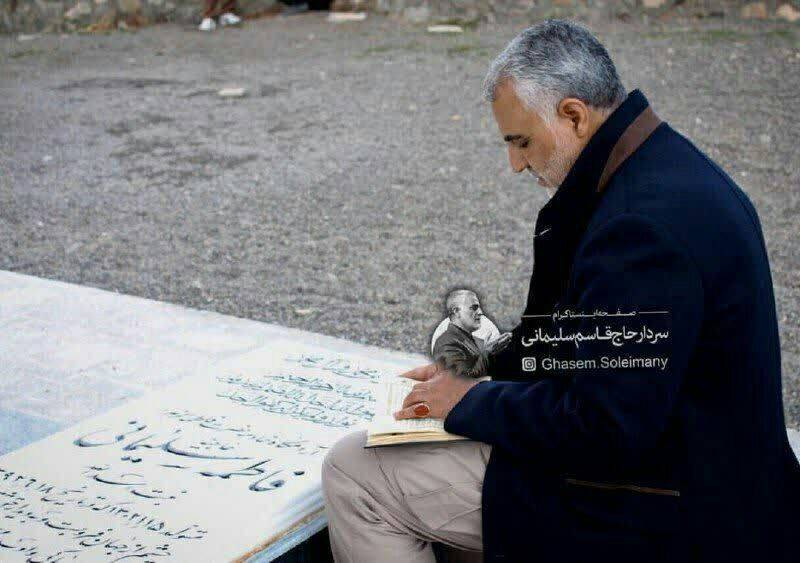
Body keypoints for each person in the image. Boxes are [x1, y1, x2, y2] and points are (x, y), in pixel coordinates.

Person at [321, 19, 800, 563]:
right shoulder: (660, 167)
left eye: (521, 141)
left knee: (355, 472)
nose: (516, 164)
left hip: (677, 513)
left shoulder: (640, 229)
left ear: (573, 115)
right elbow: (587, 339)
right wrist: (486, 367)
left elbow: (604, 429)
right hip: (712, 475)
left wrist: (469, 402)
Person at [431, 289, 510, 379]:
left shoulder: (472, 341)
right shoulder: (446, 343)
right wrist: (488, 352)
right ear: (456, 311)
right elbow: (462, 379)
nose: (480, 312)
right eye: (474, 308)